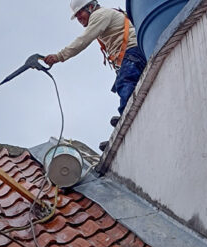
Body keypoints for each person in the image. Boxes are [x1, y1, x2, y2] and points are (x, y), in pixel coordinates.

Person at [44, 0, 147, 151]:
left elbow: (83, 40)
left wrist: (59, 56)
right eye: (77, 17)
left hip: (132, 53)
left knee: (125, 83)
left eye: (80, 14)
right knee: (126, 84)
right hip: (133, 55)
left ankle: (129, 123)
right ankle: (127, 119)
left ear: (91, 7)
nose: (80, 19)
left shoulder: (100, 15)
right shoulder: (105, 16)